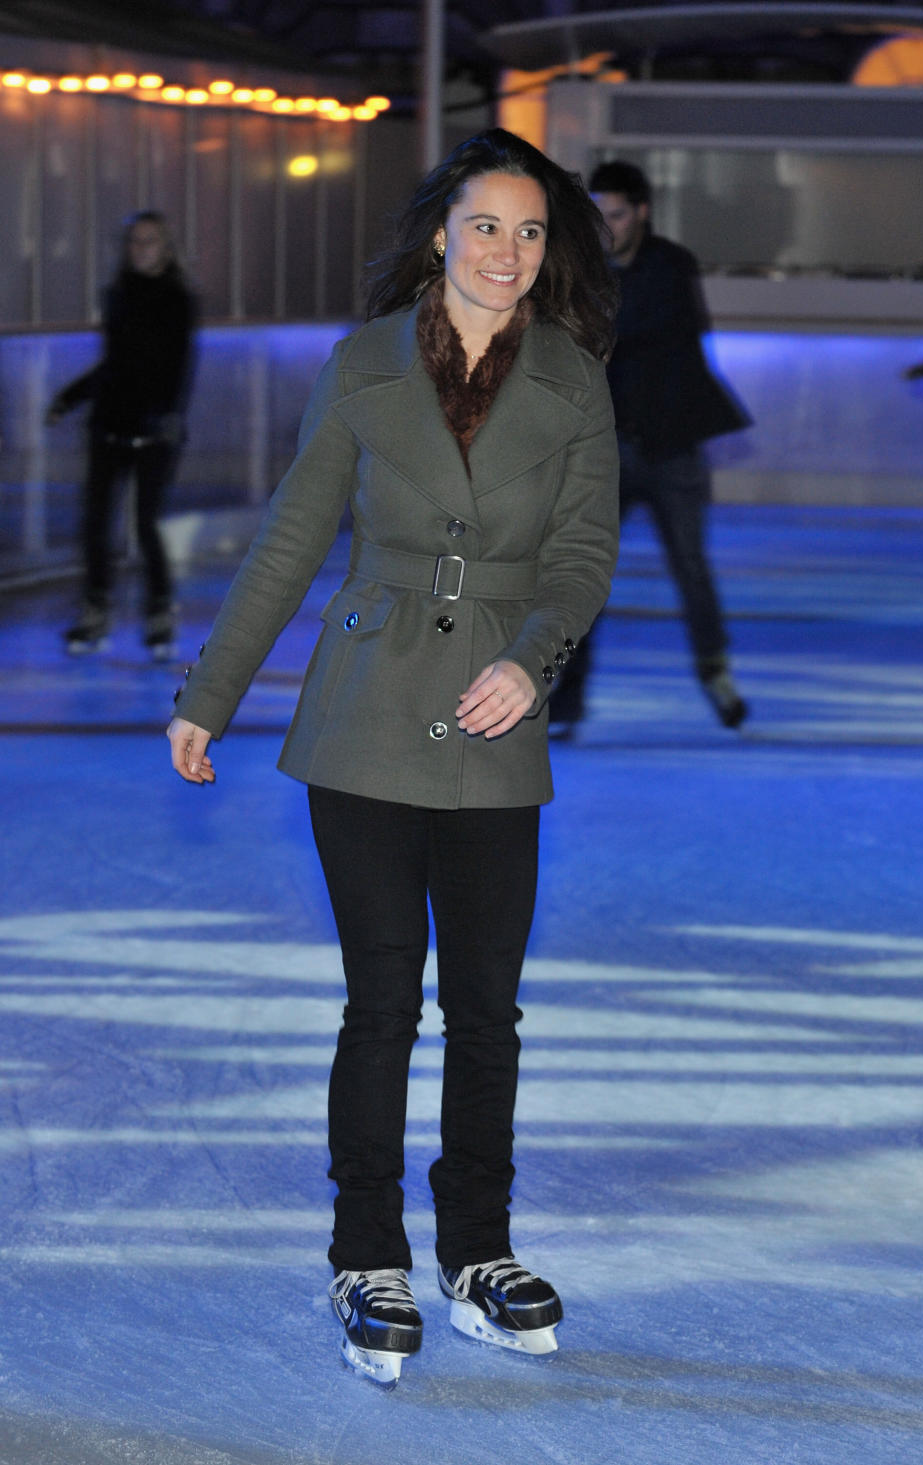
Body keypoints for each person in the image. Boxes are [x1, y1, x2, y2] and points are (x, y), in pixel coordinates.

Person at [167, 128, 620, 1387]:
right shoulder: (364, 366)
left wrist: (532, 660)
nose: (508, 253)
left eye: (532, 233)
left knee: (487, 1010)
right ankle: (365, 1251)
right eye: (486, 226)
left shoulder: (576, 381)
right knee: (383, 1002)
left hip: (495, 717)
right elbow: (290, 540)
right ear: (440, 233)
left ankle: (479, 1249)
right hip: (365, 714)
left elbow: (581, 560)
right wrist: (212, 692)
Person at [550, 159, 751, 731]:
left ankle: (716, 674)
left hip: (670, 449)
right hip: (608, 451)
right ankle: (569, 696)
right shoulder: (584, 271)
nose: (607, 227)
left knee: (690, 565)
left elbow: (634, 332)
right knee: (585, 574)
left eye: (616, 214)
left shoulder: (668, 266)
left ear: (640, 212)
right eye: (598, 216)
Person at [48, 210, 197, 659]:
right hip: (110, 426)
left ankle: (158, 616)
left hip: (153, 431)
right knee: (95, 525)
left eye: (149, 241)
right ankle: (94, 613)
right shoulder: (118, 295)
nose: (140, 249)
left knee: (145, 526)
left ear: (165, 248)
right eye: (134, 241)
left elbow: (175, 368)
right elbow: (116, 365)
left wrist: (165, 417)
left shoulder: (176, 300)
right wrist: (72, 396)